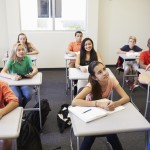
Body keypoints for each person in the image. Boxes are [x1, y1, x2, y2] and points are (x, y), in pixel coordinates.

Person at [72, 61, 130, 150]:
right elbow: (74, 101)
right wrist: (98, 104)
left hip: (104, 114)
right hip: (91, 114)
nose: (105, 73)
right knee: (90, 136)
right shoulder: (91, 85)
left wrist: (115, 103)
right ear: (94, 77)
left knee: (111, 133)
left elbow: (126, 97)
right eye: (99, 72)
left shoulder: (111, 80)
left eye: (104, 69)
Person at [0, 43, 38, 107]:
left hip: (24, 81)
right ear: (15, 51)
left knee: (28, 95)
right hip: (14, 82)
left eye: (23, 49)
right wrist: (12, 77)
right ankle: (20, 110)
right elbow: (2, 72)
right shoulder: (11, 59)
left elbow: (35, 69)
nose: (21, 51)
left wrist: (32, 74)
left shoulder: (27, 58)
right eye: (19, 50)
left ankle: (21, 108)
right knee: (17, 97)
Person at [0, 80, 19, 150]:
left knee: (7, 139)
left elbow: (14, 101)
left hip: (2, 118)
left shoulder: (2, 84)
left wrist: (1, 112)